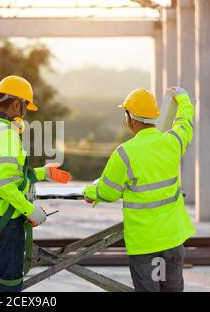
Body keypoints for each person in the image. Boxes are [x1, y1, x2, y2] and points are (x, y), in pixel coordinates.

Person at [83, 87, 196, 292]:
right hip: (172, 238)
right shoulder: (172, 142)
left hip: (145, 243)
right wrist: (183, 98)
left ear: (131, 118)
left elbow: (108, 191)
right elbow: (185, 122)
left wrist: (90, 192)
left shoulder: (125, 153)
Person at [0, 75, 72, 292]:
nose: (24, 112)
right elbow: (2, 182)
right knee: (9, 281)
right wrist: (29, 209)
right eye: (24, 105)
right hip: (6, 219)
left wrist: (44, 173)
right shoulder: (7, 134)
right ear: (16, 103)